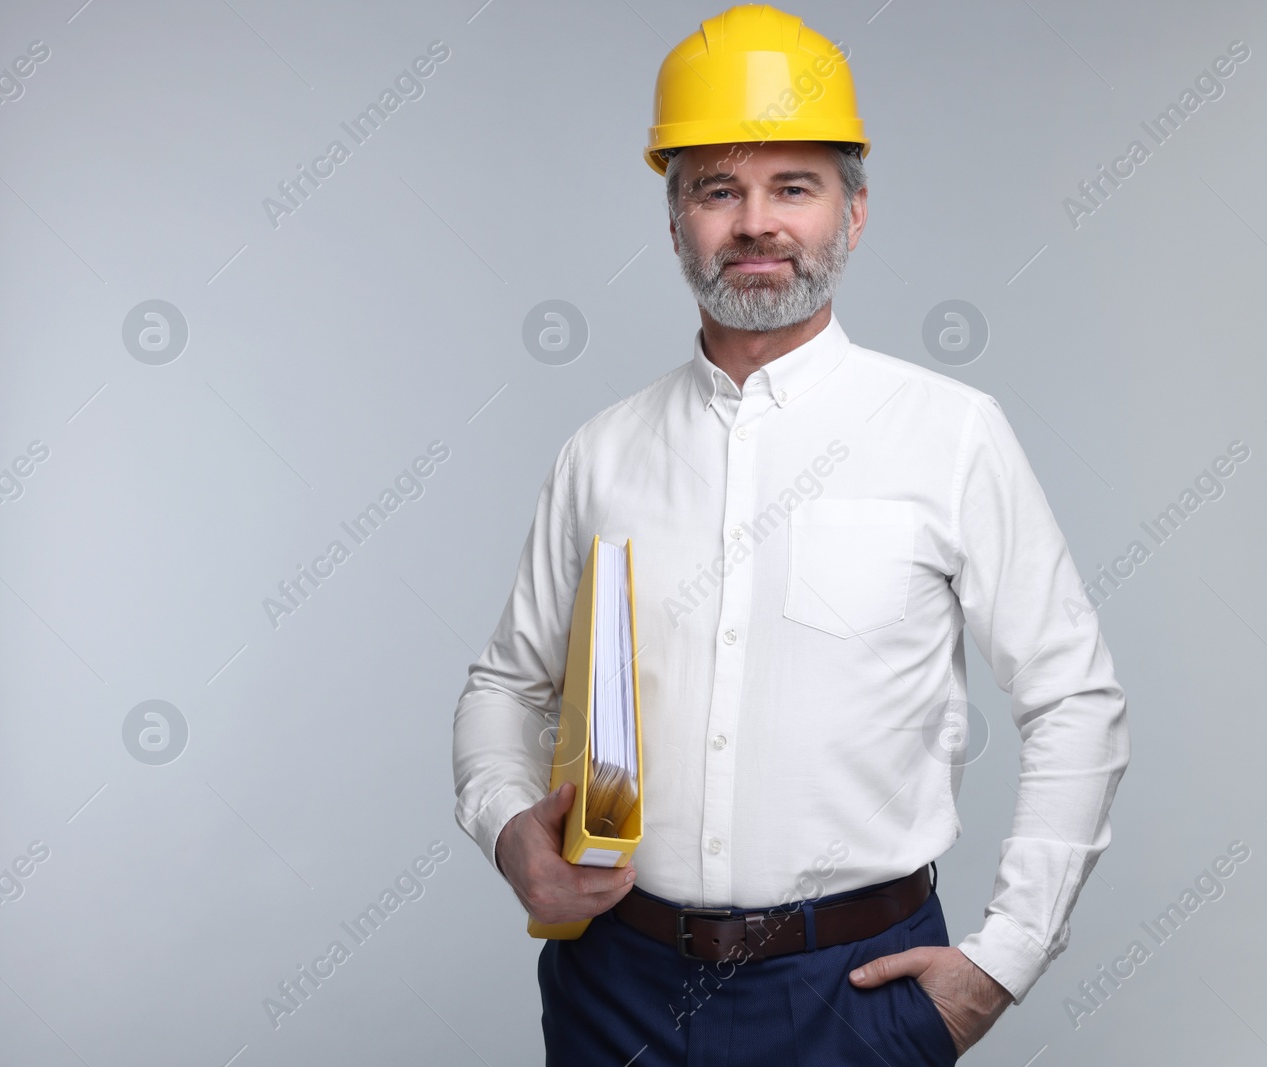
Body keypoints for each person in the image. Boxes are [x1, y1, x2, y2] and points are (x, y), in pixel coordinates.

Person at [451, 5, 1130, 1062]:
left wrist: (1004, 958)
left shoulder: (950, 435)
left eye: (794, 187)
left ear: (853, 215)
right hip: (615, 985)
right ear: (675, 220)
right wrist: (507, 831)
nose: (756, 222)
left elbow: (1073, 699)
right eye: (718, 189)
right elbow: (505, 684)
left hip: (851, 990)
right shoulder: (603, 452)